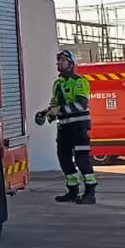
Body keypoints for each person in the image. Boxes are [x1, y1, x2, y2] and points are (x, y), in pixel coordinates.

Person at [38, 49, 97, 204]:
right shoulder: (57, 84)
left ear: (71, 64)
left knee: (81, 160)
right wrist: (46, 113)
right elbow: (55, 104)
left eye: (62, 61)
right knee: (64, 160)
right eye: (58, 61)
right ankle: (73, 191)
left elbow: (81, 105)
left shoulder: (79, 81)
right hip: (63, 129)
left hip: (79, 128)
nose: (59, 63)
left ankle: (90, 193)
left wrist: (61, 110)